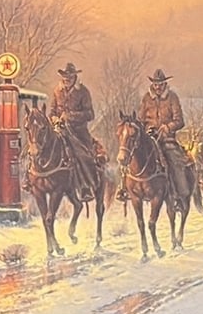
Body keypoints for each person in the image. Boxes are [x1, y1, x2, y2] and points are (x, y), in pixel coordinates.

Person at [121, 68, 191, 210]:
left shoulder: (172, 98)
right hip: (148, 138)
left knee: (174, 161)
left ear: (165, 84)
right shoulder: (147, 98)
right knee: (129, 156)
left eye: (160, 84)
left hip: (167, 139)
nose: (158, 87)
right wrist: (145, 129)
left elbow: (180, 121)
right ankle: (123, 188)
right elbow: (140, 119)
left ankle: (178, 194)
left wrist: (168, 127)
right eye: (155, 84)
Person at [49, 62, 104, 203]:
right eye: (64, 77)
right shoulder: (57, 91)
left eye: (69, 77)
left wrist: (70, 116)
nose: (66, 79)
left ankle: (86, 186)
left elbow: (90, 114)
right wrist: (54, 119)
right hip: (60, 129)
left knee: (82, 155)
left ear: (74, 77)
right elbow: (52, 111)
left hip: (78, 133)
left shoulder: (83, 92)